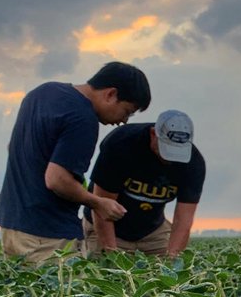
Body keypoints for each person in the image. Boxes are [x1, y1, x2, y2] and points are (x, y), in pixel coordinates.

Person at [0, 62, 152, 264]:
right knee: (67, 293)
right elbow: (56, 179)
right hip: (47, 233)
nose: (124, 121)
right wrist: (98, 202)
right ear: (111, 94)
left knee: (26, 293)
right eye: (127, 111)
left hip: (12, 223)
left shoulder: (42, 93)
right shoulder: (83, 118)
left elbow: (13, 147)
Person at [81, 109, 205, 259]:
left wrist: (173, 259)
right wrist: (112, 256)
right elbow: (101, 206)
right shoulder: (121, 144)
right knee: (107, 276)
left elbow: (183, 219)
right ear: (153, 134)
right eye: (166, 150)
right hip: (107, 227)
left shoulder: (193, 163)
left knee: (166, 275)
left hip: (152, 230)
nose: (171, 159)